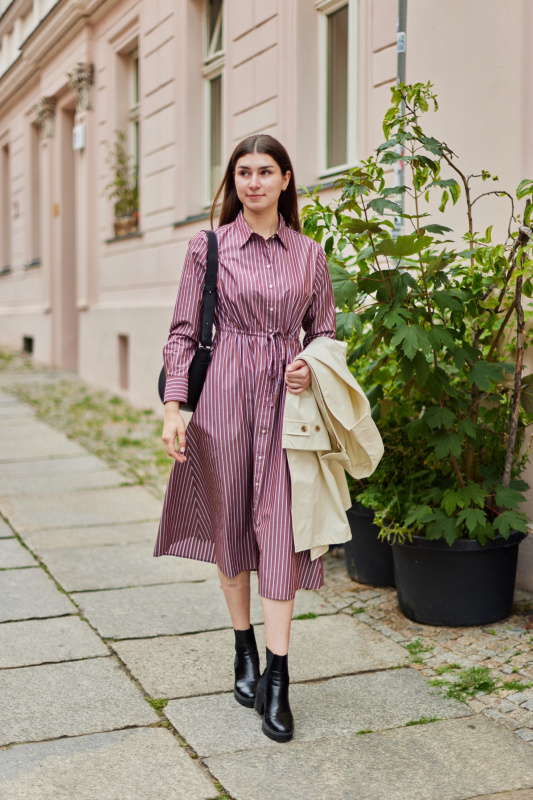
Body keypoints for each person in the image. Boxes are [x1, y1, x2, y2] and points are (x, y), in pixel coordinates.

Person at [155, 134, 336, 743]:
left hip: (287, 411)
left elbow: (327, 333)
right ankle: (243, 648)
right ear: (233, 182)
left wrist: (309, 362)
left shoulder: (310, 254)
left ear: (287, 179)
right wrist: (174, 405)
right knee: (230, 526)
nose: (254, 182)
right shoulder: (207, 248)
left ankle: (279, 677)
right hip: (223, 402)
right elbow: (183, 331)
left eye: (265, 172)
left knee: (281, 531)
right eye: (243, 172)